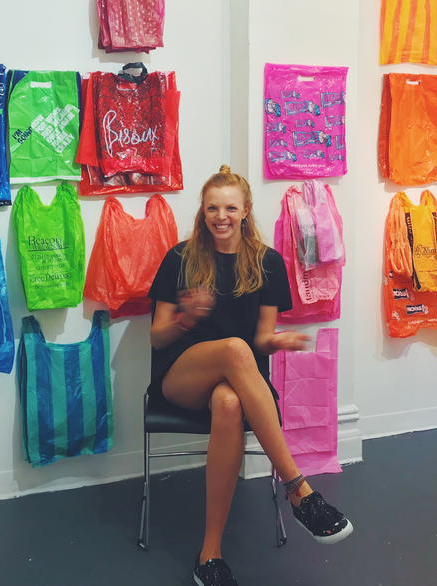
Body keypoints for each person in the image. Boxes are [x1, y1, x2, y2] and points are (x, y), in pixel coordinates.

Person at [148, 165, 353, 586]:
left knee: (228, 402)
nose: (220, 217)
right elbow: (156, 338)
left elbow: (260, 339)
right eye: (212, 208)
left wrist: (279, 342)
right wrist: (186, 318)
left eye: (229, 208)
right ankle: (298, 488)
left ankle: (209, 556)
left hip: (238, 382)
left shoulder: (267, 261)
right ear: (203, 213)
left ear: (245, 211)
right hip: (182, 377)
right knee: (234, 350)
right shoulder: (180, 258)